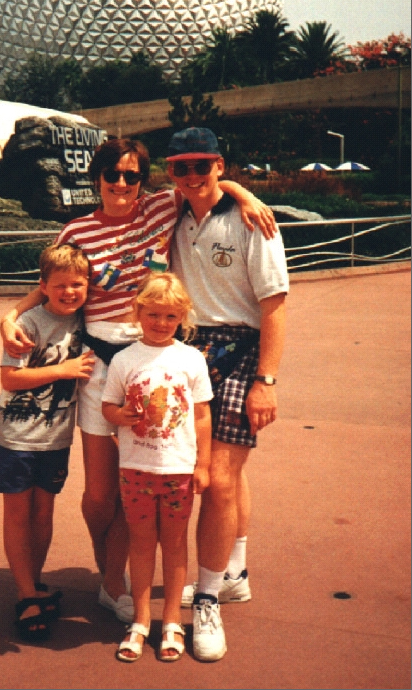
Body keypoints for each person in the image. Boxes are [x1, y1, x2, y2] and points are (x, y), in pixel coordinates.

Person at [0, 137, 277, 622]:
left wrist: (245, 193)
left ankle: (114, 583)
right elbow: (52, 281)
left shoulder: (158, 209)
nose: (123, 184)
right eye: (113, 175)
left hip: (151, 360)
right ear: (98, 179)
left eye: (132, 175)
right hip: (97, 366)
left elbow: (203, 184)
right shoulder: (78, 229)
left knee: (141, 481)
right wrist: (12, 313)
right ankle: (105, 558)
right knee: (100, 494)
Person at [166, 126, 289, 662]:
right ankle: (233, 571)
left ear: (220, 164)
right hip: (187, 347)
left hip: (239, 347)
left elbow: (275, 306)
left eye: (202, 165)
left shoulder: (251, 223)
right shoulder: (172, 214)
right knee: (225, 476)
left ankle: (209, 596)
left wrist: (266, 381)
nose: (192, 176)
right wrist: (243, 187)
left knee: (216, 480)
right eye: (181, 167)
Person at [101, 272, 212, 663]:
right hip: (136, 469)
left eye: (170, 316)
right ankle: (141, 621)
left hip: (179, 470)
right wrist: (122, 416)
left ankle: (171, 622)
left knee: (176, 544)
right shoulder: (124, 359)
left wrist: (203, 464)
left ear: (182, 317)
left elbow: (201, 416)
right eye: (153, 314)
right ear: (138, 312)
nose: (161, 323)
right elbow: (108, 407)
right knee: (142, 543)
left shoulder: (191, 358)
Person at [0, 244, 95, 642]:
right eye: (60, 286)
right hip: (17, 436)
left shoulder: (86, 320)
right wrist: (63, 368)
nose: (69, 292)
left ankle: (33, 582)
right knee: (19, 514)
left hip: (55, 438)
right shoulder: (29, 324)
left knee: (43, 514)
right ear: (43, 287)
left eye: (77, 285)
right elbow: (9, 378)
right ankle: (25, 593)